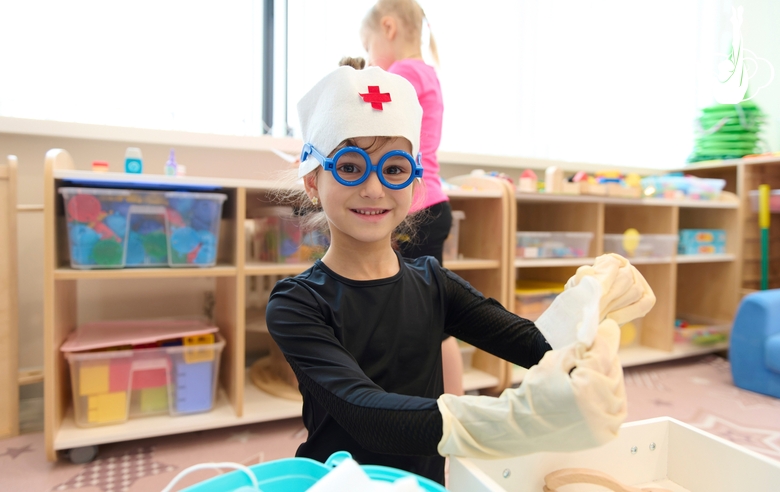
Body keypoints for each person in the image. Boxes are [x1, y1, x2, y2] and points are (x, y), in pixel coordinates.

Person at [266, 65, 654, 485]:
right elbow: (364, 412)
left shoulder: (433, 282)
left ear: (415, 183)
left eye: (394, 168)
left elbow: (535, 345)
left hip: (425, 482)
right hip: (338, 484)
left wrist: (588, 310)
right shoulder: (296, 304)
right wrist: (509, 420)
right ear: (312, 181)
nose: (374, 189)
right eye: (350, 166)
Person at [359, 0, 464, 395]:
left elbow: (369, 115)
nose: (371, 59)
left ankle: (453, 405)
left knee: (430, 319)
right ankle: (445, 400)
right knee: (427, 313)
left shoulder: (402, 74)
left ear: (388, 28)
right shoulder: (425, 73)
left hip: (418, 208)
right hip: (430, 204)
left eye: (368, 46)